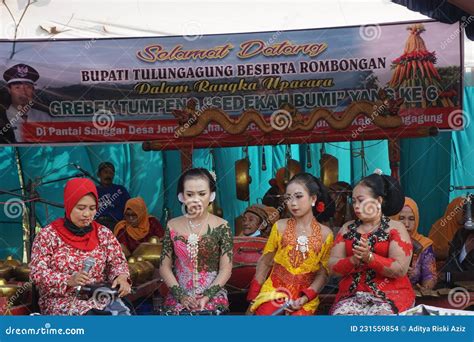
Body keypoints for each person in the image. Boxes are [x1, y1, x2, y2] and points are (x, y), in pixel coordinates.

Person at [30, 178, 132, 315]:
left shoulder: (103, 234)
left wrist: (121, 276)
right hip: (62, 302)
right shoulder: (48, 235)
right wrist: (68, 280)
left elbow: (117, 261)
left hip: (99, 298)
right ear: (69, 205)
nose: (87, 214)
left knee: (125, 315)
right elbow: (37, 273)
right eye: (81, 208)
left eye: (92, 208)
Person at [247, 173, 334, 315]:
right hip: (274, 292)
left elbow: (323, 274)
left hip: (304, 297)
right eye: (288, 198)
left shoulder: (326, 234)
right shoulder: (279, 227)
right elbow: (265, 262)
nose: (293, 203)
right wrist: (253, 297)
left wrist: (306, 298)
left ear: (313, 198)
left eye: (299, 196)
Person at [329, 170, 414, 315]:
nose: (356, 206)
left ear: (379, 201)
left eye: (361, 200)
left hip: (390, 296)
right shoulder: (347, 228)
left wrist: (369, 258)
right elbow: (332, 268)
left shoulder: (395, 228)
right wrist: (353, 260)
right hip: (351, 297)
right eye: (354, 201)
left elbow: (400, 269)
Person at [159, 168, 233, 314]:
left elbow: (226, 269)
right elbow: (164, 266)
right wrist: (181, 296)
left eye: (202, 194)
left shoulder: (222, 226)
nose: (196, 199)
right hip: (179, 296)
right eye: (190, 194)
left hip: (212, 295)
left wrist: (207, 296)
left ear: (212, 195)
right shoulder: (172, 225)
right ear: (181, 196)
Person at [393, 197, 437, 290]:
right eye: (401, 218)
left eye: (411, 219)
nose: (407, 224)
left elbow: (430, 276)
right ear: (394, 219)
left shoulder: (423, 244)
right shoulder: (386, 242)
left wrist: (425, 288)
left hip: (414, 295)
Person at [2, 63, 51, 143]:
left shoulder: (44, 118)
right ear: (9, 90)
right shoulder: (2, 118)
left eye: (28, 87)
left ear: (33, 90)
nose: (23, 92)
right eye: (17, 87)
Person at [95, 162, 131, 230]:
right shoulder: (93, 190)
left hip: (116, 224)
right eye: (105, 172)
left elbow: (129, 206)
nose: (108, 175)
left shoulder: (120, 190)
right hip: (97, 223)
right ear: (99, 174)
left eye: (111, 173)